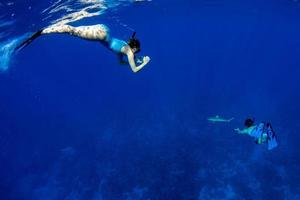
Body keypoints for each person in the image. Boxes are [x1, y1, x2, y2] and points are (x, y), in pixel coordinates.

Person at [15, 24, 150, 73]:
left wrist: (136, 59)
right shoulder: (129, 53)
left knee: (74, 28)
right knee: (72, 31)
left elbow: (121, 62)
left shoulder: (125, 48)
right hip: (101, 36)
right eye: (137, 51)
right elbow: (134, 70)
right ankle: (42, 32)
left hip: (104, 29)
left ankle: (50, 28)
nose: (137, 53)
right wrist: (144, 62)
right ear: (134, 48)